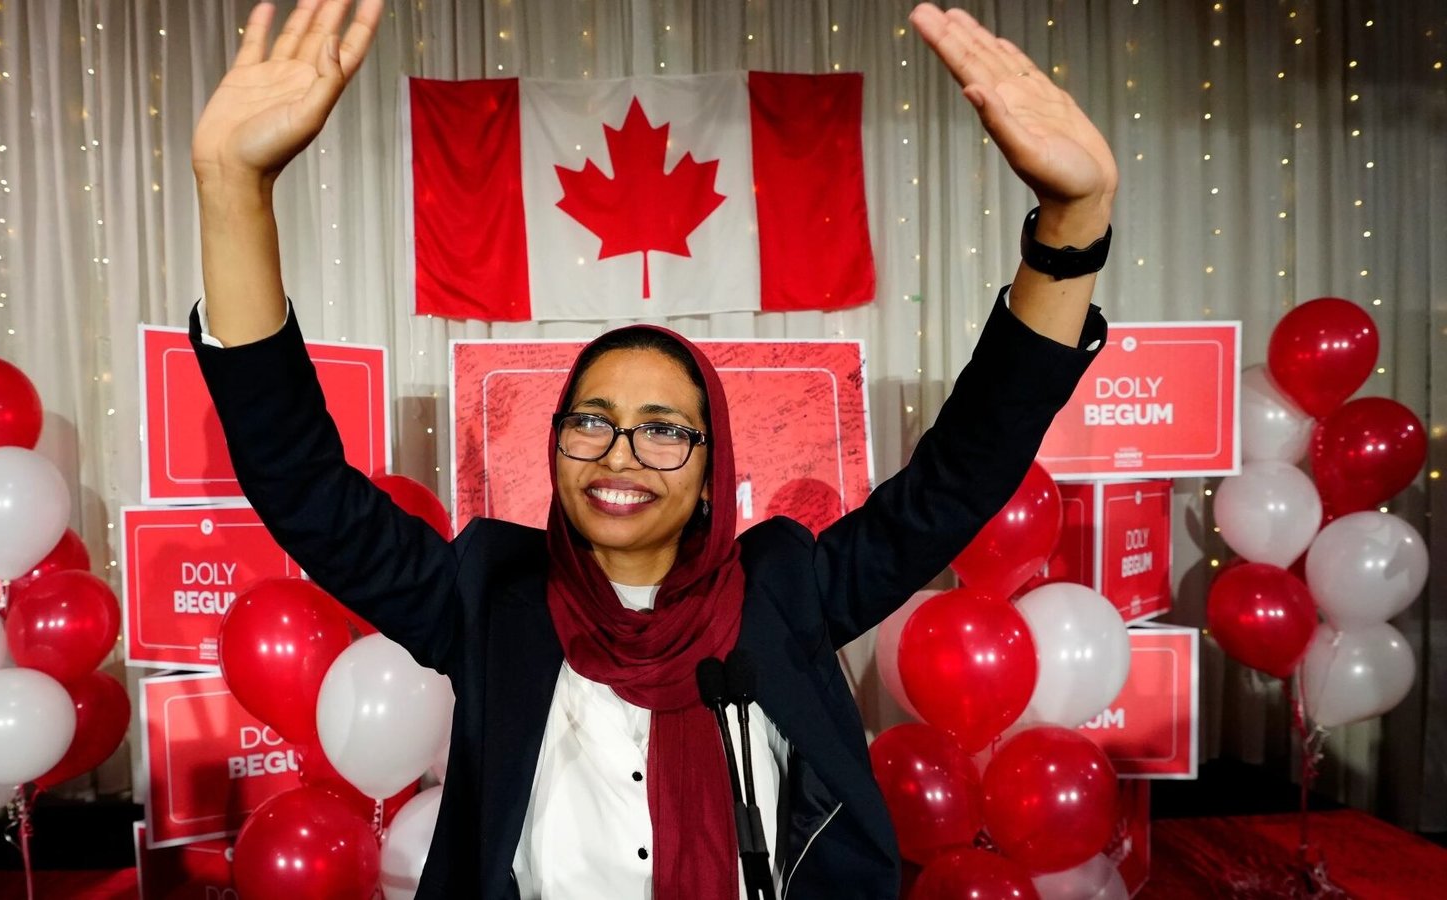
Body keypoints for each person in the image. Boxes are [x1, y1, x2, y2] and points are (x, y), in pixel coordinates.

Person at [188, 1, 1115, 897]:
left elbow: (963, 474)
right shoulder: (486, 600)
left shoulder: (785, 595)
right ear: (554, 450)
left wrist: (1071, 227)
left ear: (714, 468)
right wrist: (233, 191)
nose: (620, 452)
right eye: (590, 419)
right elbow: (300, 482)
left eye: (665, 429)